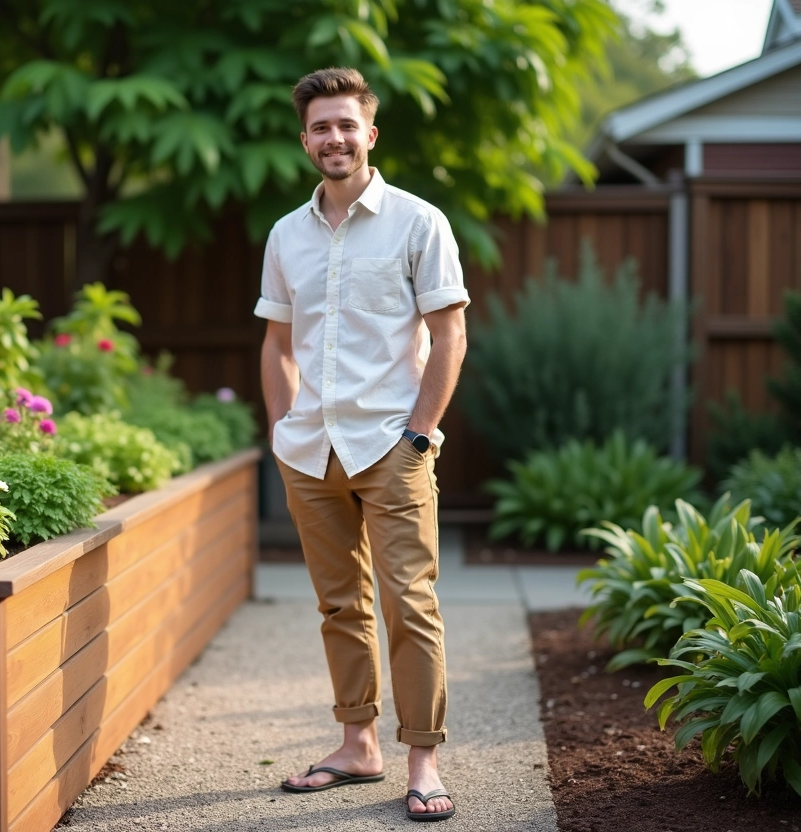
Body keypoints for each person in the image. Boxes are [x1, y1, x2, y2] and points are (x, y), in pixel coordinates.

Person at [255, 67, 469, 823]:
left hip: (391, 446)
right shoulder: (286, 234)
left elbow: (449, 334)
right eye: (320, 127)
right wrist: (283, 430)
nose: (334, 138)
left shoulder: (419, 222)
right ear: (305, 139)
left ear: (370, 135)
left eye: (346, 125)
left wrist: (418, 435)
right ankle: (358, 745)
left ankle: (423, 761)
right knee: (339, 604)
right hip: (310, 451)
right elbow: (277, 343)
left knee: (410, 604)